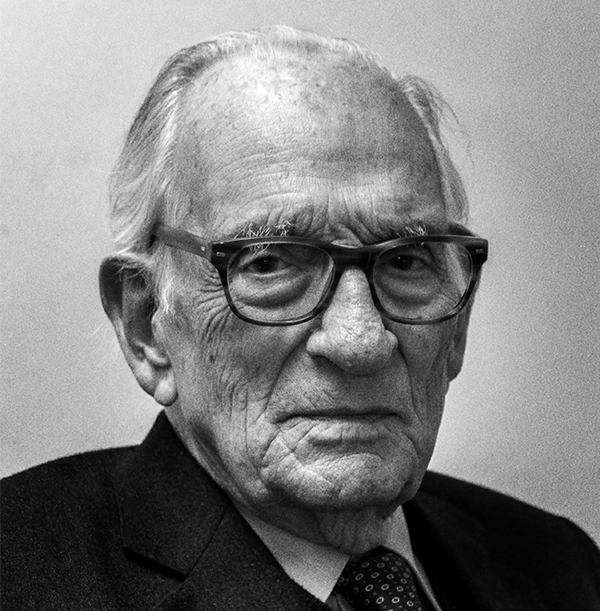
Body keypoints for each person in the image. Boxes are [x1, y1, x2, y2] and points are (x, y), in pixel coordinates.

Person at [1, 26, 599, 611]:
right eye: (269, 263)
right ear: (146, 325)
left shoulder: (562, 566)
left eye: (406, 261)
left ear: (458, 325)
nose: (360, 341)